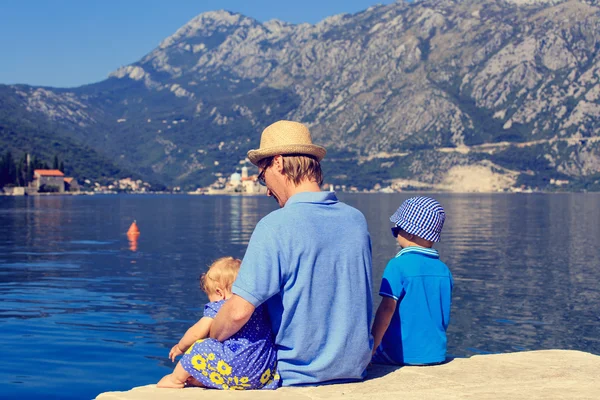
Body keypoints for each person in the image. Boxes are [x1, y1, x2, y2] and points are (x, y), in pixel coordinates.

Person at [210, 120, 373, 386]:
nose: (266, 190)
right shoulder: (356, 220)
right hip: (356, 370)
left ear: (278, 163)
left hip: (298, 376)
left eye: (263, 176)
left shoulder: (275, 226)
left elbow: (238, 312)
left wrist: (211, 335)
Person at [157, 256, 280, 390]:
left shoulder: (220, 306)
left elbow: (196, 333)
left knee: (200, 346)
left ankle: (175, 380)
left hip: (236, 369)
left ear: (219, 292)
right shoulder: (258, 306)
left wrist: (180, 347)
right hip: (262, 374)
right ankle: (205, 379)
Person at [371, 196, 453, 366]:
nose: (395, 234)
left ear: (409, 232)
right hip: (436, 354)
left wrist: (371, 348)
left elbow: (387, 309)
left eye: (396, 229)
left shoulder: (397, 265)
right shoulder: (444, 270)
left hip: (400, 354)